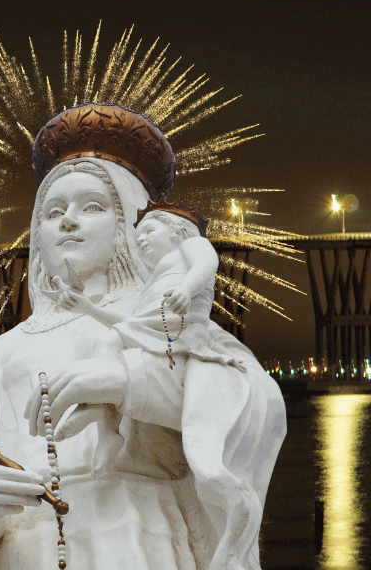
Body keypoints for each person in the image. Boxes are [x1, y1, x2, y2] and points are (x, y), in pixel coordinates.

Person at [0, 103, 286, 570]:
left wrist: (125, 384)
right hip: (28, 550)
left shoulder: (161, 320)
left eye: (92, 207)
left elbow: (249, 404)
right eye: (53, 211)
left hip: (142, 538)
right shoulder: (3, 353)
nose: (68, 221)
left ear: (128, 227)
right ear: (37, 233)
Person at [48, 201, 266, 568]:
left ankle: (98, 413)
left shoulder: (189, 247)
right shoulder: (156, 278)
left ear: (178, 231)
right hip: (151, 333)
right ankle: (106, 430)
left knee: (113, 343)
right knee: (111, 337)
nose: (142, 241)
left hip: (180, 338)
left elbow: (206, 264)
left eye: (149, 231)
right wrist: (87, 307)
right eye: (137, 237)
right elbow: (129, 321)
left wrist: (187, 287)